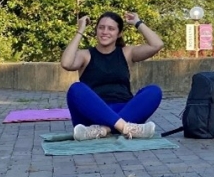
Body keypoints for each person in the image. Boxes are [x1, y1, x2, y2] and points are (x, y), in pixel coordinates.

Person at [61, 11, 164, 139]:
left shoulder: (127, 53)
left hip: (124, 112)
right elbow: (66, 63)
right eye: (101, 27)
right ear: (96, 30)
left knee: (154, 91)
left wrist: (137, 22)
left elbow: (157, 44)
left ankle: (104, 130)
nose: (105, 32)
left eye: (111, 29)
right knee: (76, 89)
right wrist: (80, 30)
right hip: (92, 115)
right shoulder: (85, 55)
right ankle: (125, 128)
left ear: (119, 33)